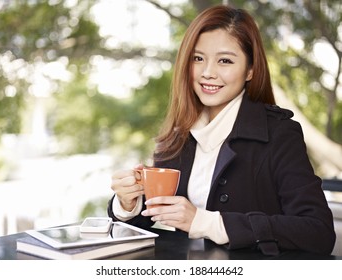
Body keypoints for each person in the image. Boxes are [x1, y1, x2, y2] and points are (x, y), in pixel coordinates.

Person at [108, 4, 335, 255]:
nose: (207, 73)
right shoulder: (178, 135)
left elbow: (318, 232)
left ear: (250, 70)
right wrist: (129, 203)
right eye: (198, 58)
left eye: (224, 60)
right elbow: (151, 220)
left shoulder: (280, 133)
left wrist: (207, 223)